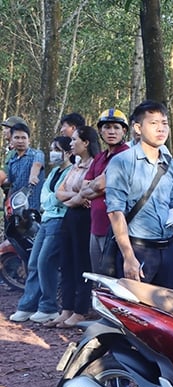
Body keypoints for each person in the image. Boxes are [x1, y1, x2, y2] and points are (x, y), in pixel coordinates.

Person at [105, 100, 173, 286]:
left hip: (168, 249)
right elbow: (115, 212)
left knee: (167, 310)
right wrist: (129, 257)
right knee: (135, 311)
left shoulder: (171, 165)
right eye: (153, 123)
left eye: (164, 123)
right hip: (138, 249)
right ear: (138, 128)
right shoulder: (122, 162)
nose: (161, 129)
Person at [8, 136, 73, 323]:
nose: (52, 152)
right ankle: (27, 305)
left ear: (68, 152)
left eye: (57, 149)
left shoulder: (71, 171)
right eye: (52, 148)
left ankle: (48, 306)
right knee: (33, 262)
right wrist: (55, 198)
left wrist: (55, 198)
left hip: (60, 220)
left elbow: (61, 198)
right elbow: (47, 197)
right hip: (46, 219)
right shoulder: (54, 173)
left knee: (46, 263)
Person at [53, 126, 100, 328]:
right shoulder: (76, 165)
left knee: (82, 264)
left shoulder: (96, 165)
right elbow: (60, 193)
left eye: (74, 140)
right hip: (70, 215)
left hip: (85, 218)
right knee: (67, 262)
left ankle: (81, 310)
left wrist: (77, 197)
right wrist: (76, 198)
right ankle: (67, 308)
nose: (70, 143)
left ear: (86, 142)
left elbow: (89, 193)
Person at [78, 109, 131, 272]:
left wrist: (96, 186)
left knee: (115, 278)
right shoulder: (100, 157)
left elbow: (101, 186)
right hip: (96, 226)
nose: (112, 131)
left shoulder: (127, 156)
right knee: (99, 277)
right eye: (107, 127)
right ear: (100, 131)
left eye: (116, 127)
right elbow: (83, 189)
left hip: (116, 228)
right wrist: (99, 186)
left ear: (124, 131)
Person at [5, 123, 45, 212]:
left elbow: (37, 165)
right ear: (11, 140)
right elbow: (11, 184)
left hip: (32, 209)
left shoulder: (37, 154)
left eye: (23, 138)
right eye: (17, 138)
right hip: (15, 208)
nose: (20, 141)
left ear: (29, 140)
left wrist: (33, 176)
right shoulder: (12, 160)